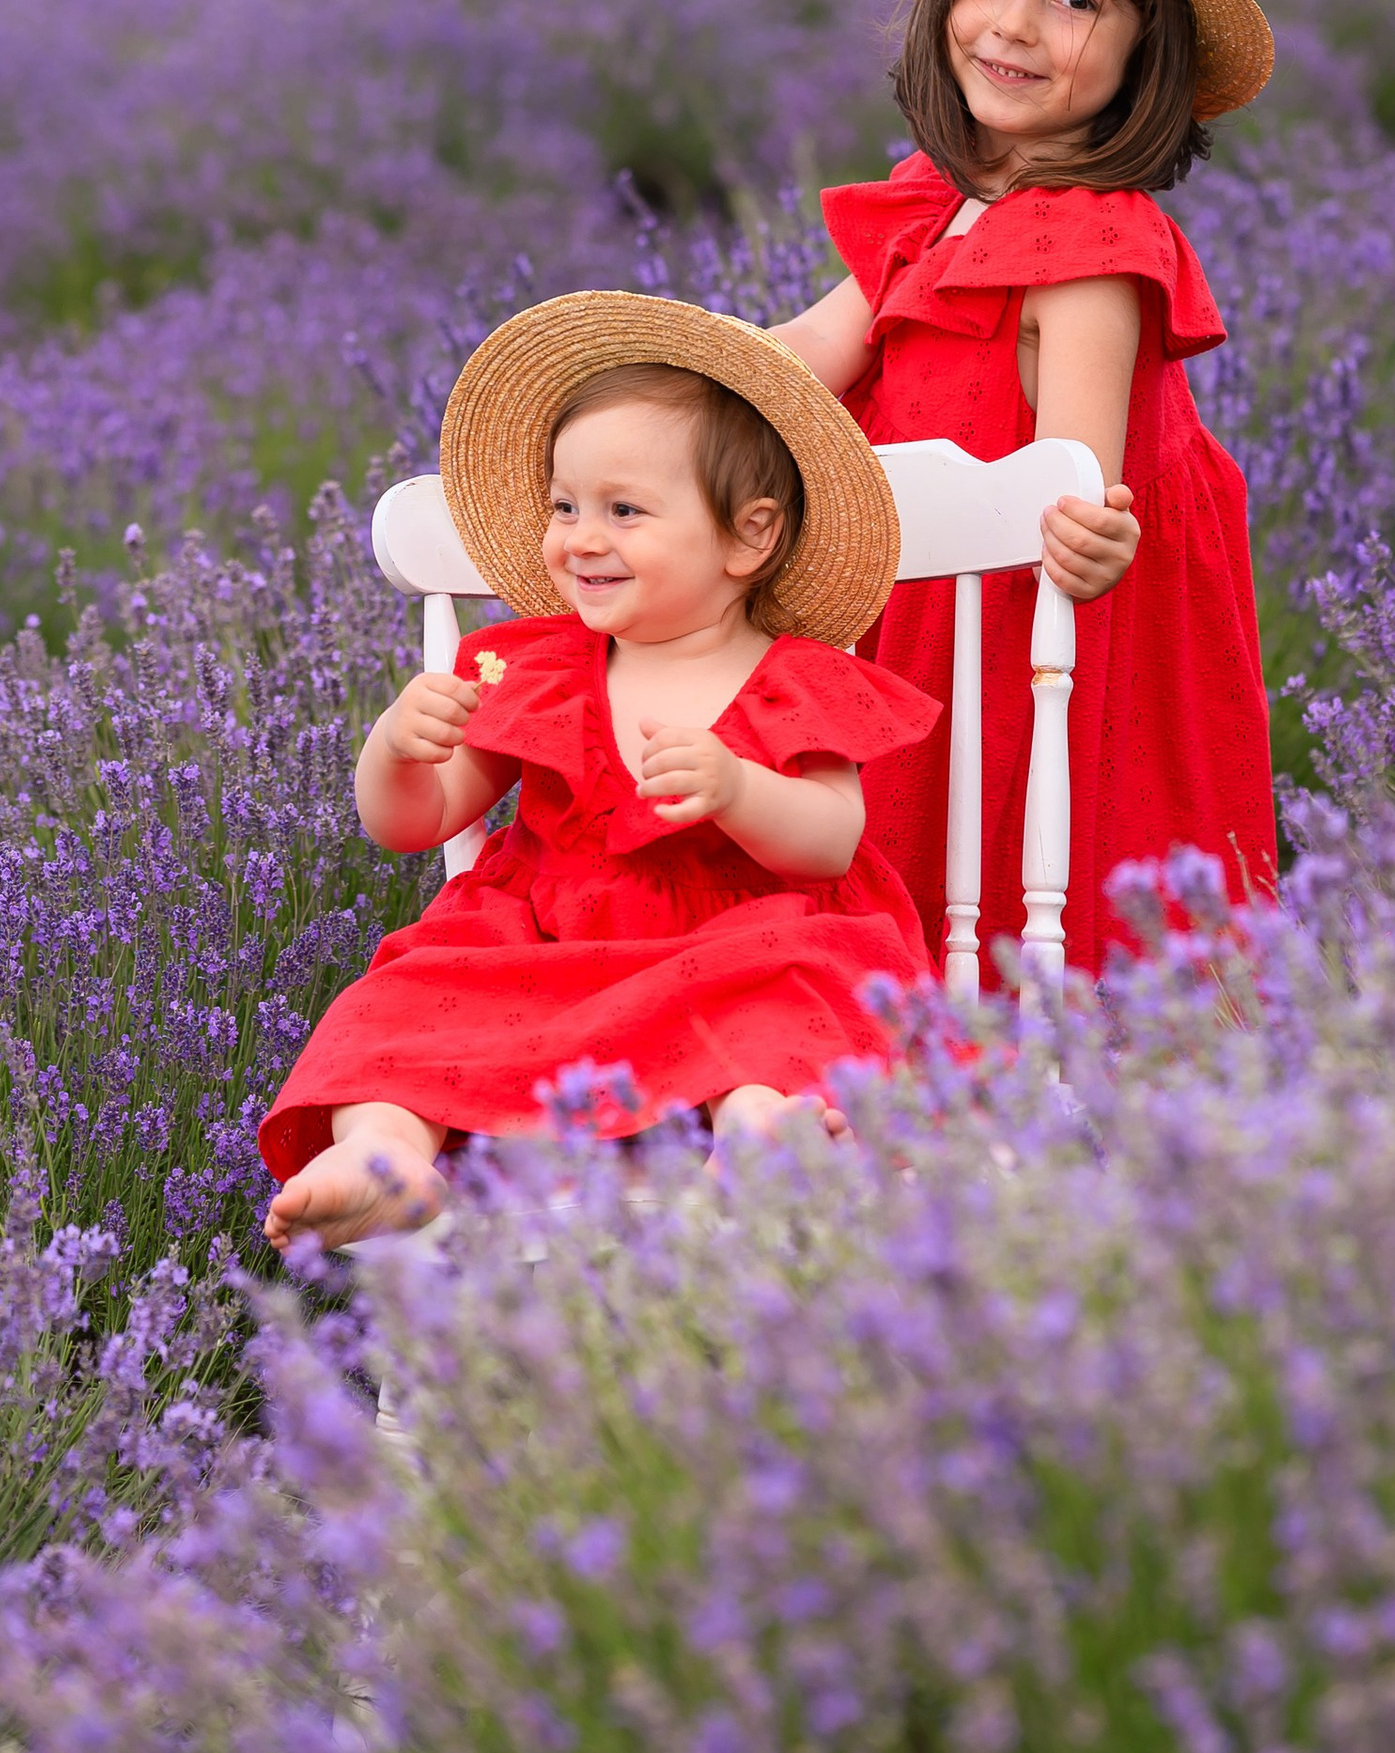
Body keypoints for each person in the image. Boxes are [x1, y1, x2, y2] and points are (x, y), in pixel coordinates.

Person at [262, 294, 938, 1247]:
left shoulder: (795, 682)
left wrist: (742, 791)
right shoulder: (535, 667)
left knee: (805, 996)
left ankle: (761, 1129)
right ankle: (387, 1154)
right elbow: (418, 821)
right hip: (545, 963)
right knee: (402, 1001)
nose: (580, 537)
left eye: (624, 511)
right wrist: (396, 751)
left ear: (750, 536)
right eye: (564, 506)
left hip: (734, 957)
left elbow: (834, 841)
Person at [771, 0, 1278, 977]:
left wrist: (1090, 524)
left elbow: (1076, 476)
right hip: (916, 608)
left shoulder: (1092, 246)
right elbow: (798, 360)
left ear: (1146, 51)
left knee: (981, 887)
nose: (1010, 23)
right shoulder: (936, 206)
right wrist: (660, 396)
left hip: (1005, 631)